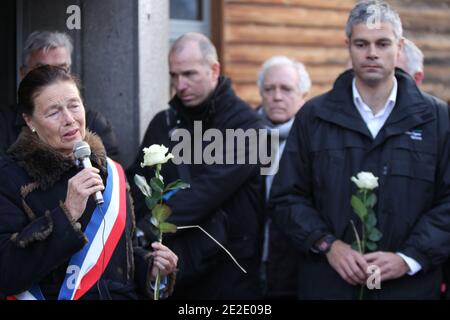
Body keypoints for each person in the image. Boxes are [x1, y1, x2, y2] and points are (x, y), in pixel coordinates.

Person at [269, 0, 450, 299]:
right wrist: (328, 245)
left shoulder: (436, 118)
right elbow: (286, 198)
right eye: (361, 43)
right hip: (330, 286)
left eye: (383, 43)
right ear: (348, 46)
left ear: (399, 46)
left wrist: (408, 258)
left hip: (409, 289)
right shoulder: (314, 116)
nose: (372, 53)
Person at [0, 65, 178, 300]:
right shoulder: (11, 177)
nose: (69, 119)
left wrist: (153, 268)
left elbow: (118, 256)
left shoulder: (109, 171)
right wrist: (66, 214)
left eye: (74, 105)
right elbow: (6, 271)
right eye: (53, 112)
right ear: (29, 120)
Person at [127, 32, 263, 299]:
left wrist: (147, 226)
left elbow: (207, 189)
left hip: (230, 272)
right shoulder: (163, 123)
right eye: (174, 76)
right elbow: (136, 181)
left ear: (214, 70)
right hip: (173, 267)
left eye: (189, 74)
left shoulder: (248, 127)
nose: (180, 84)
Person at [0, 30, 121, 162]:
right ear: (23, 73)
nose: (53, 77)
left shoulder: (94, 123)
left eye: (62, 69)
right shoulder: (4, 124)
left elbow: (113, 175)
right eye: (42, 71)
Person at [256, 56, 310, 299]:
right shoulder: (242, 137)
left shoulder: (314, 139)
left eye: (286, 89)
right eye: (269, 89)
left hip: (298, 263)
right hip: (248, 261)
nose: (277, 96)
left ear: (303, 95)